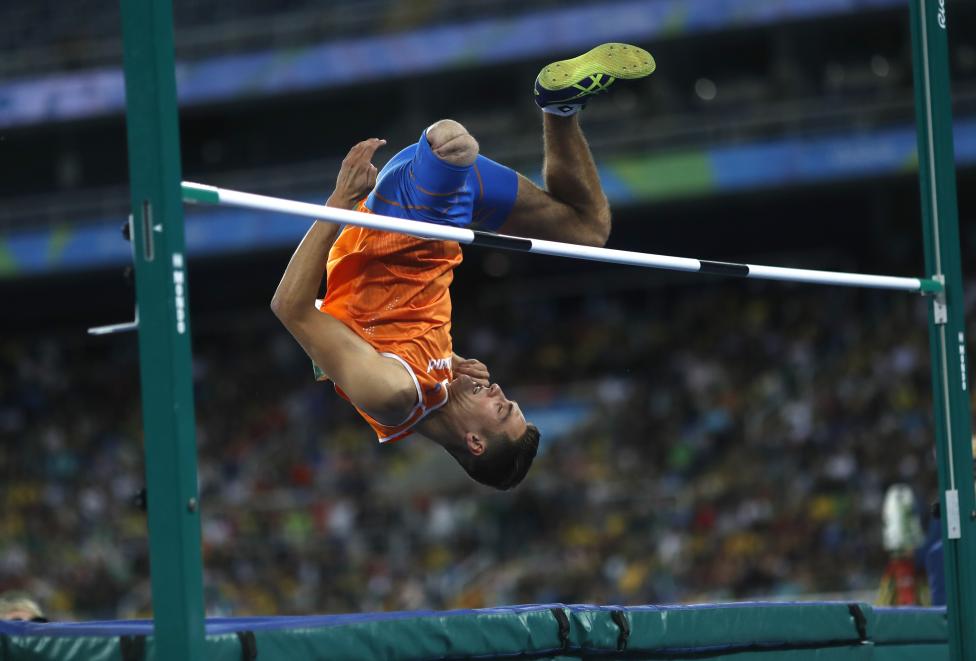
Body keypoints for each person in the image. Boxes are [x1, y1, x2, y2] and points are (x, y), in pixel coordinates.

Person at [272, 43, 656, 489]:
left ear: (474, 442)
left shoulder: (393, 394)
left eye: (503, 409)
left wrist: (341, 201)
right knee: (588, 230)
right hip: (442, 220)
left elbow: (292, 307)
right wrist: (448, 361)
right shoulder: (437, 386)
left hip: (406, 222)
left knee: (453, 142)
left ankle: (442, 149)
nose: (499, 392)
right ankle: (561, 106)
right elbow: (386, 329)